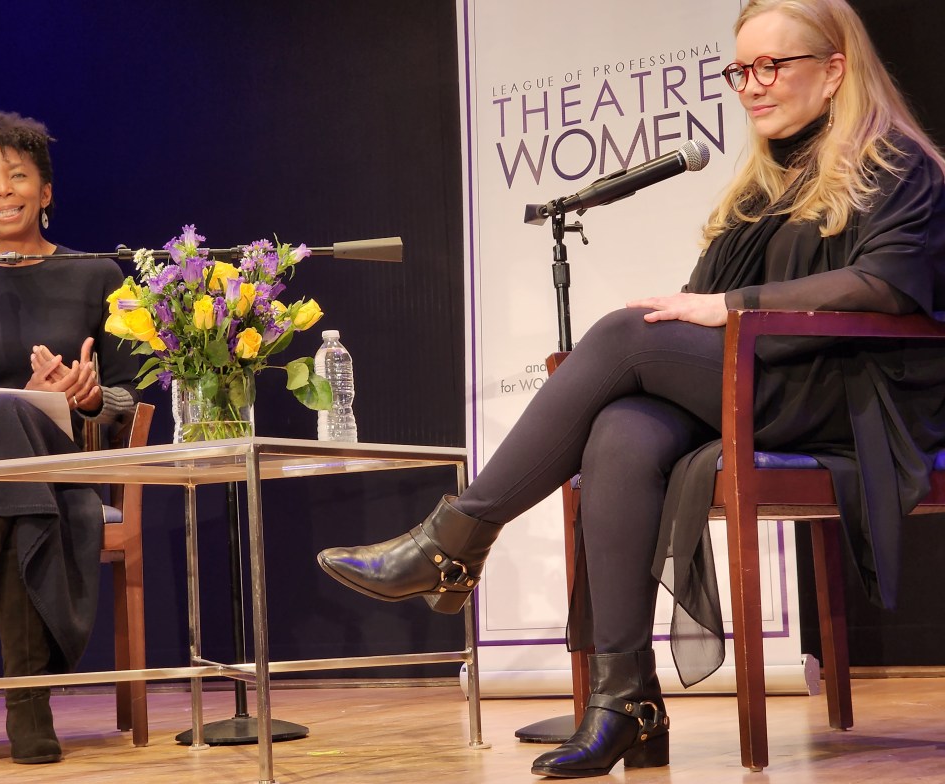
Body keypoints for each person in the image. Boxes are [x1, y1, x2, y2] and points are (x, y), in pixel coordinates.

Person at [318, 0, 945, 778]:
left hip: (846, 394)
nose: (751, 86)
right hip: (763, 382)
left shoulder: (896, 164)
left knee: (621, 333)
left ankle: (456, 538)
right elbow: (701, 302)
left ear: (835, 69)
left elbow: (884, 287)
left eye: (771, 67)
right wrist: (707, 312)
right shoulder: (761, 184)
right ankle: (625, 703)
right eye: (740, 69)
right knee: (620, 427)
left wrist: (731, 308)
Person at [0, 112, 140, 764]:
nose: (4, 190)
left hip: (62, 466)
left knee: (19, 448)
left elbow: (129, 399)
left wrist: (87, 396)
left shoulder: (100, 274)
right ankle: (28, 704)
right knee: (7, 423)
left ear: (46, 191)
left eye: (18, 176)